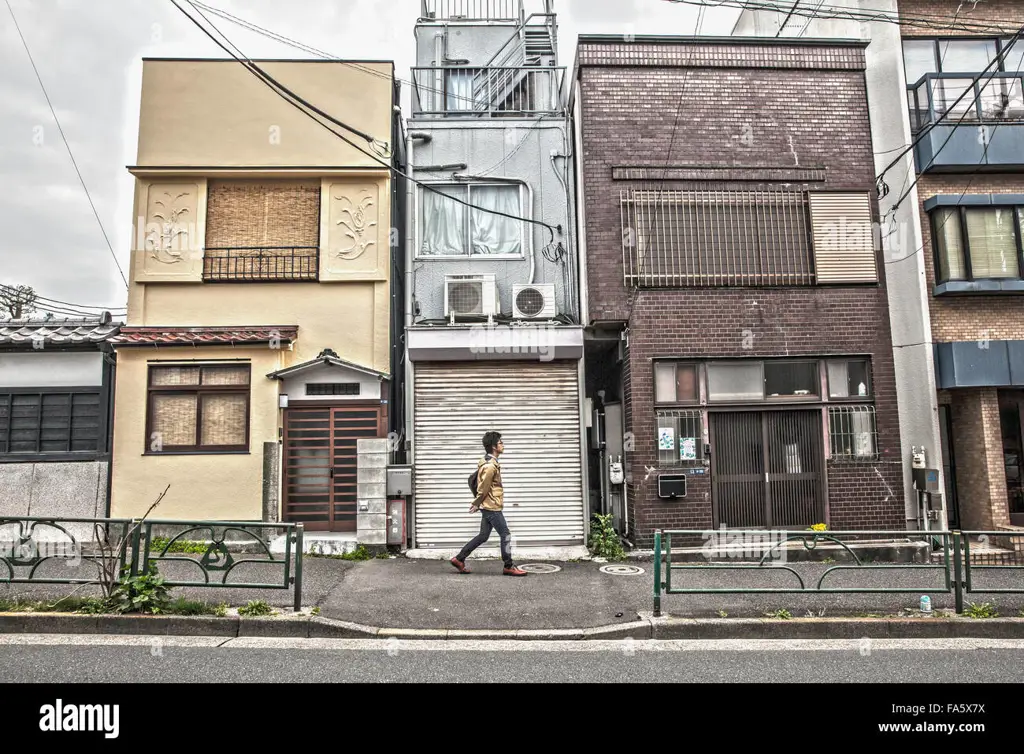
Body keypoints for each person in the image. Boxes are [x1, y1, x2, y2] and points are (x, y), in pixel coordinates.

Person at [450, 431, 527, 576]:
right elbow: (483, 487)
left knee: (483, 536)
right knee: (505, 534)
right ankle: (508, 566)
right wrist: (477, 503)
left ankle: (459, 559)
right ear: (493, 446)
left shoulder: (489, 463)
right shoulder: (490, 466)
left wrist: (479, 503)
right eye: (500, 443)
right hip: (492, 506)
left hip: (489, 505)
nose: (503, 445)